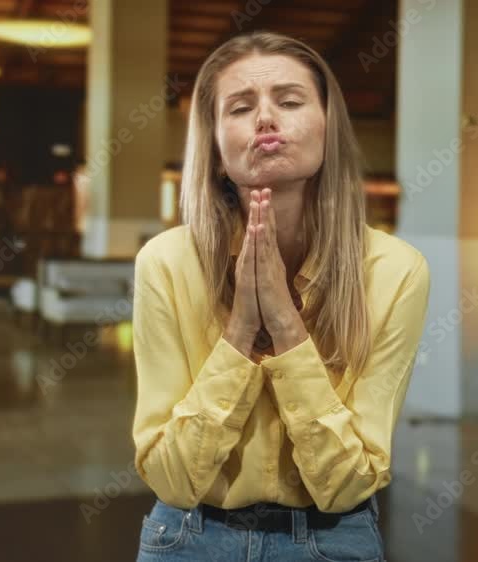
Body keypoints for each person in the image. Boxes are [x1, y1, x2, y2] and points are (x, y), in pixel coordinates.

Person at [132, 31, 431, 561]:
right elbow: (171, 478)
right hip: (186, 536)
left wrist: (287, 328)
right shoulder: (165, 262)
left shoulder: (395, 271)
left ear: (326, 128)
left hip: (332, 539)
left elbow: (349, 482)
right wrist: (241, 331)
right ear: (217, 148)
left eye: (289, 101)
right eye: (241, 108)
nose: (266, 119)